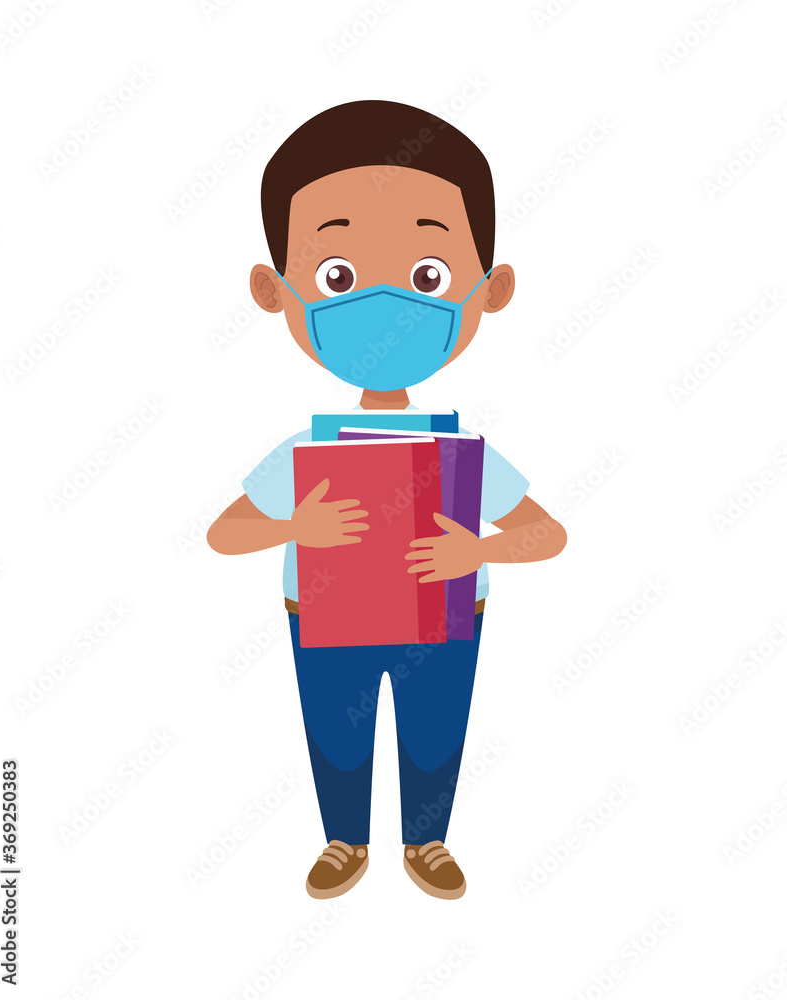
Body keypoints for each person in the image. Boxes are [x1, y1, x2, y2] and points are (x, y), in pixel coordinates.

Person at [207, 100, 566, 900]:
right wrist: (297, 524)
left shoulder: (460, 450)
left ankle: (427, 843)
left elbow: (546, 534)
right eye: (337, 277)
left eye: (426, 277)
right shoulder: (306, 451)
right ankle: (344, 841)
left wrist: (475, 550)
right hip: (326, 613)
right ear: (276, 291)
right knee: (337, 733)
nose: (383, 304)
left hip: (444, 614)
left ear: (489, 289)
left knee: (436, 732)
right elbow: (224, 534)